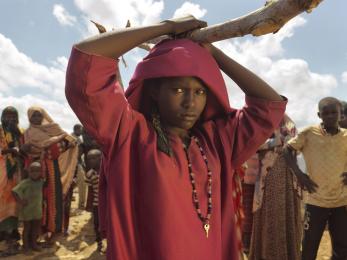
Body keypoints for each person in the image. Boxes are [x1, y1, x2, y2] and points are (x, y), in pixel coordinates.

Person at [65, 16, 286, 260]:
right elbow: (87, 58)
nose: (190, 103)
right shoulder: (129, 135)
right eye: (178, 90)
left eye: (200, 92)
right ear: (156, 92)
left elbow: (269, 106)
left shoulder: (217, 141)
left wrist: (213, 53)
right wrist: (166, 27)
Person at [284, 97, 347, 260]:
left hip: (341, 201)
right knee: (310, 246)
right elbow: (287, 149)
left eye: (334, 112)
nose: (331, 116)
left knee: (342, 247)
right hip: (316, 201)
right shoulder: (309, 133)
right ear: (319, 115)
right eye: (326, 113)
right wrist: (299, 174)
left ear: (340, 114)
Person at [248, 115, 302, 260]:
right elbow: (254, 144)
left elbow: (296, 144)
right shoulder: (262, 124)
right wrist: (276, 142)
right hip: (268, 175)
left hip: (289, 175)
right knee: (269, 211)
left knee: (287, 211)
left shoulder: (290, 126)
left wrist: (278, 142)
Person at [23, 106, 79, 245]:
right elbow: (24, 151)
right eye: (34, 116)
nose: (37, 118)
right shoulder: (26, 133)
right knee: (38, 202)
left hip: (51, 170)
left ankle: (54, 233)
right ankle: (38, 234)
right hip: (34, 172)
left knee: (53, 200)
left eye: (39, 115)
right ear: (29, 117)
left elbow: (69, 142)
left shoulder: (53, 129)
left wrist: (51, 147)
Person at [0, 106, 24, 256]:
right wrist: (9, 151)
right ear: (2, 117)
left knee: (14, 206)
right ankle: (7, 240)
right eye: (7, 116)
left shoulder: (20, 133)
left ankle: (12, 240)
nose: (11, 119)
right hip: (2, 174)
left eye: (13, 116)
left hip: (17, 174)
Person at [12, 161, 43, 252]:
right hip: (27, 211)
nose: (35, 173)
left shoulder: (41, 182)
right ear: (29, 172)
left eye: (37, 171)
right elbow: (14, 191)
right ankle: (26, 247)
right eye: (32, 171)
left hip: (37, 210)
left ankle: (34, 244)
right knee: (27, 229)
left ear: (40, 172)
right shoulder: (25, 182)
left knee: (35, 229)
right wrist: (20, 201)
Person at [85, 149, 103, 252]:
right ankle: (99, 242)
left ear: (100, 158)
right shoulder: (89, 174)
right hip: (97, 203)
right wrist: (89, 206)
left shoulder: (108, 169)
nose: (91, 161)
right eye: (89, 159)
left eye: (93, 158)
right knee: (97, 223)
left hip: (108, 203)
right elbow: (90, 190)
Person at [71, 124, 87, 210]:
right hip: (74, 164)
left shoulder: (78, 139)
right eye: (81, 129)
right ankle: (81, 205)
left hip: (78, 163)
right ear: (76, 129)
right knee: (82, 182)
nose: (82, 131)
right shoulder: (71, 138)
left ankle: (81, 203)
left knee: (77, 182)